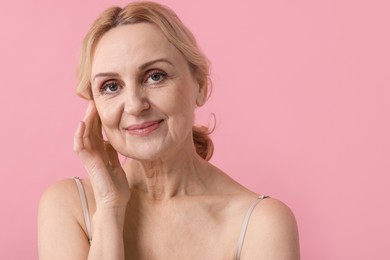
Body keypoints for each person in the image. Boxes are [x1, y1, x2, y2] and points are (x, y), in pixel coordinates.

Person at [38, 1, 300, 259]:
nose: (135, 105)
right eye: (110, 86)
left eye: (155, 76)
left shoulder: (260, 223)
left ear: (199, 86)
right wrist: (109, 208)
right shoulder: (69, 206)